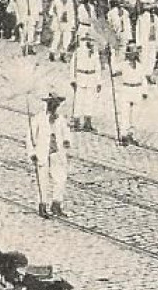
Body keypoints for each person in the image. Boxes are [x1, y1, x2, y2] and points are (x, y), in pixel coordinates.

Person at [28, 91, 71, 219]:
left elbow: (66, 133)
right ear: (47, 104)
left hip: (56, 154)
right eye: (52, 104)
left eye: (56, 104)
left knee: (61, 179)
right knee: (43, 181)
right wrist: (32, 153)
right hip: (42, 153)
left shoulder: (61, 120)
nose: (54, 107)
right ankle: (42, 205)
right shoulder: (38, 118)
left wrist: (67, 141)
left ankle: (56, 204)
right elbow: (30, 137)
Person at [114, 42, 149, 145]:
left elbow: (144, 79)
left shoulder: (140, 65)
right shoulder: (123, 65)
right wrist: (111, 55)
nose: (133, 54)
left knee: (135, 115)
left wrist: (145, 91)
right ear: (128, 53)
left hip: (137, 90)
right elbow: (114, 71)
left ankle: (131, 135)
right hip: (126, 89)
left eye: (135, 52)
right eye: (131, 52)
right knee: (125, 113)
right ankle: (124, 135)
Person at [71, 32, 103, 133]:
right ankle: (76, 121)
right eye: (86, 40)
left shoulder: (95, 53)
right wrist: (72, 79)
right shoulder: (78, 52)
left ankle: (87, 122)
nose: (89, 42)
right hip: (81, 76)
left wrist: (98, 81)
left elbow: (98, 67)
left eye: (91, 41)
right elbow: (73, 66)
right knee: (78, 100)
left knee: (90, 100)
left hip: (91, 78)